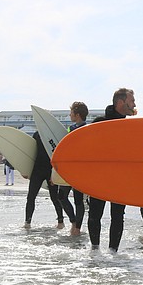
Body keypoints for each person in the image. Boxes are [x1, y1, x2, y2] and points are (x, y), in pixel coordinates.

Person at [87, 89, 137, 251]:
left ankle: (113, 254)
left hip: (121, 178)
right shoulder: (99, 123)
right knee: (95, 215)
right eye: (132, 101)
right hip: (99, 177)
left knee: (118, 217)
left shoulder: (130, 127)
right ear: (121, 103)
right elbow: (87, 150)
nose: (134, 105)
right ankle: (94, 252)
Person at [24, 131, 75, 229]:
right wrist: (25, 169)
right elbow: (31, 152)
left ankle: (61, 221)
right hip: (37, 169)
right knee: (31, 197)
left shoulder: (50, 131)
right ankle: (27, 222)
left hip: (50, 170)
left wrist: (56, 173)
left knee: (54, 197)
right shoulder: (36, 134)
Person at [59, 101, 89, 237]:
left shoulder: (87, 129)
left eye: (71, 113)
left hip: (81, 170)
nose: (69, 115)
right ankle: (73, 221)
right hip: (69, 169)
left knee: (78, 200)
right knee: (61, 196)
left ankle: (77, 228)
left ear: (77, 115)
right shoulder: (70, 128)